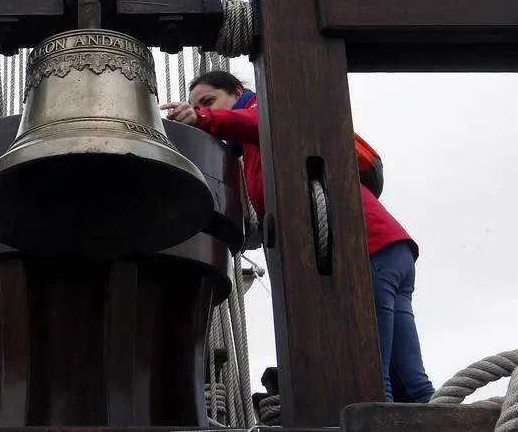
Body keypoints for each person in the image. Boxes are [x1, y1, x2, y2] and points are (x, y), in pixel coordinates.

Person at [163, 71, 435, 404]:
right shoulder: (251, 149)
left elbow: (258, 121)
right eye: (198, 105)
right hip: (389, 248)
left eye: (209, 100)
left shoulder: (268, 112)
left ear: (237, 93)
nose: (203, 108)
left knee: (370, 376)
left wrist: (202, 118)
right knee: (410, 381)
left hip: (367, 248)